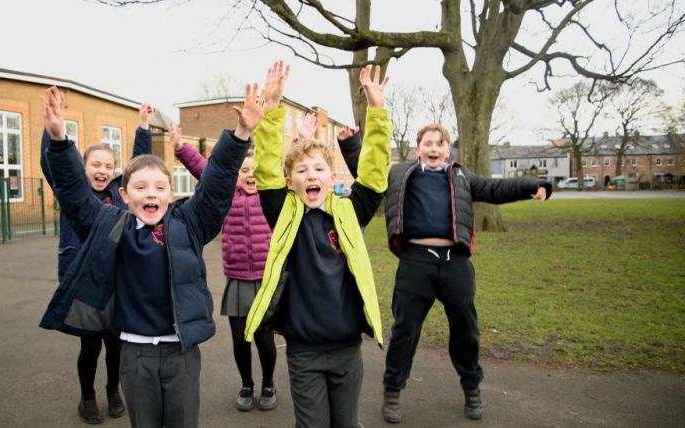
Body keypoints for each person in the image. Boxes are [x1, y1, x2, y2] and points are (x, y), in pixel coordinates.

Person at [38, 82, 263, 428]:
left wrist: (241, 133)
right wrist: (58, 140)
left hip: (182, 353)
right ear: (125, 195)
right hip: (135, 353)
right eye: (141, 188)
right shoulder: (111, 224)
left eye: (159, 187)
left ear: (171, 192)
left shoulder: (190, 223)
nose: (151, 194)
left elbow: (217, 184)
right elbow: (74, 195)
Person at [244, 62, 392, 428]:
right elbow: (264, 168)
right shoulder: (282, 211)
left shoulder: (350, 211)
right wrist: (274, 106)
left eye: (318, 169)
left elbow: (374, 174)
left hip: (346, 348)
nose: (311, 175)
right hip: (304, 350)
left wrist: (377, 111)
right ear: (290, 180)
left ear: (333, 176)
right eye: (302, 170)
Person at [380, 122, 552, 423]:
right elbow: (366, 172)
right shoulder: (399, 173)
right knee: (405, 329)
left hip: (454, 262)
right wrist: (351, 145)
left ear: (448, 149)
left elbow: (494, 188)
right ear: (418, 147)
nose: (434, 149)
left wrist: (531, 187)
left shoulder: (460, 175)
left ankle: (471, 388)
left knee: (465, 330)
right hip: (415, 261)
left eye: (440, 143)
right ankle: (392, 390)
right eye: (428, 143)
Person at [39, 102, 155, 424]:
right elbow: (54, 166)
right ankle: (87, 397)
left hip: (115, 282)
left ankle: (113, 390)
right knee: (90, 346)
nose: (102, 170)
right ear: (84, 168)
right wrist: (52, 130)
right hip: (84, 285)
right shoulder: (73, 194)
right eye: (95, 165)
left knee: (116, 344)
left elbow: (138, 166)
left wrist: (143, 128)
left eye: (108, 165)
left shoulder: (120, 197)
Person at [172, 132, 278, 411]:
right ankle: (247, 384)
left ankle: (268, 383)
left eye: (255, 171)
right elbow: (205, 169)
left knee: (265, 338)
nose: (250, 175)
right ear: (236, 174)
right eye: (244, 170)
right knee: (241, 338)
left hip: (265, 280)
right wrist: (182, 148)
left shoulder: (272, 196)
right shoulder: (227, 193)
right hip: (238, 280)